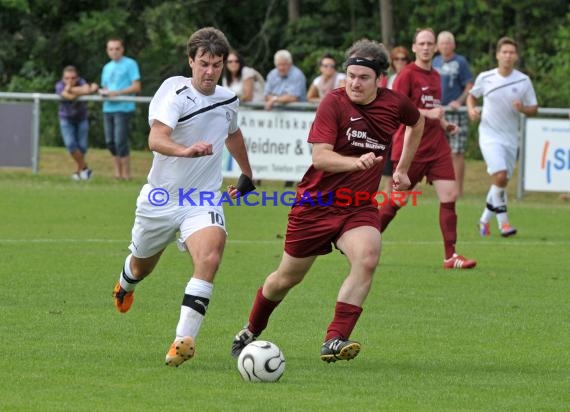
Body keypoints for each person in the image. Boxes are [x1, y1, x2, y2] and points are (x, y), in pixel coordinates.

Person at [231, 39, 425, 363]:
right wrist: (356, 162)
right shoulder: (332, 103)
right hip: (315, 204)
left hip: (358, 205)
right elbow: (320, 158)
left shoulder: (394, 103)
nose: (354, 83)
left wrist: (402, 168)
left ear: (380, 80)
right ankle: (251, 329)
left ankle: (335, 338)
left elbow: (417, 122)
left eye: (363, 77)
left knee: (368, 256)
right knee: (285, 279)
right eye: (350, 75)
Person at [112, 27, 255, 368]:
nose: (209, 72)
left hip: (202, 198)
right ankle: (125, 283)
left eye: (216, 65)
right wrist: (186, 150)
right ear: (191, 61)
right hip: (160, 198)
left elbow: (233, 134)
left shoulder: (227, 99)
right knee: (141, 265)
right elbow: (156, 138)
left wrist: (248, 174)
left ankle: (183, 340)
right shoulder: (173, 93)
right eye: (203, 63)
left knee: (210, 255)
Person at [378, 27, 477, 270]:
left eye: (429, 43)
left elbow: (432, 109)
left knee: (449, 195)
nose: (425, 47)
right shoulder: (407, 75)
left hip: (436, 144)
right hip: (412, 147)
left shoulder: (435, 75)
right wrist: (429, 113)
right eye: (421, 43)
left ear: (435, 48)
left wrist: (444, 123)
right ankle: (363, 240)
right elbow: (397, 109)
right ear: (414, 47)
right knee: (398, 200)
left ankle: (450, 256)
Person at [467, 36, 538, 237]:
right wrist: (472, 110)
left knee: (502, 180)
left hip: (510, 138)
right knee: (499, 176)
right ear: (498, 55)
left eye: (511, 52)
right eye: (504, 52)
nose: (507, 56)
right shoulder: (486, 77)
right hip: (489, 135)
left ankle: (483, 221)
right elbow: (472, 95)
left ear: (516, 56)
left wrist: (523, 108)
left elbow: (534, 108)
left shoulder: (523, 80)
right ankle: (504, 224)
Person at [433, 31, 474, 197]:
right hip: (438, 112)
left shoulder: (460, 62)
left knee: (456, 152)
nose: (445, 46)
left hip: (456, 112)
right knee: (438, 152)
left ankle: (458, 189)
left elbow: (469, 85)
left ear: (453, 45)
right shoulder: (434, 62)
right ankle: (443, 188)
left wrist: (460, 101)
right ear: (437, 45)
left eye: (448, 43)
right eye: (442, 43)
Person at [99, 38, 141, 180]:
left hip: (123, 108)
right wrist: (103, 92)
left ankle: (126, 174)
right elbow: (106, 86)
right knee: (110, 142)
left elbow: (136, 86)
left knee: (120, 141)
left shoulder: (130, 64)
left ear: (122, 49)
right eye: (111, 49)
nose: (114, 52)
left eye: (117, 48)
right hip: (108, 108)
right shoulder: (106, 67)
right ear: (107, 51)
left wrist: (117, 93)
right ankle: (117, 173)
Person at [55, 66, 99, 180]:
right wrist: (83, 91)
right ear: (62, 79)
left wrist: (71, 89)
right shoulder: (59, 85)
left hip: (81, 118)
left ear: (77, 77)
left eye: (73, 78)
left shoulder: (81, 82)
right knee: (70, 144)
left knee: (82, 147)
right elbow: (68, 96)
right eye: (67, 78)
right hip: (66, 119)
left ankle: (79, 173)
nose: (70, 80)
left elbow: (86, 90)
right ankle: (85, 169)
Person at [381, 46, 412, 198]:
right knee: (387, 161)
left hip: (406, 126)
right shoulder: (389, 79)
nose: (400, 62)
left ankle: (395, 193)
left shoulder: (411, 77)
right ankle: (387, 191)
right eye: (397, 59)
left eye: (403, 59)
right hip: (389, 126)